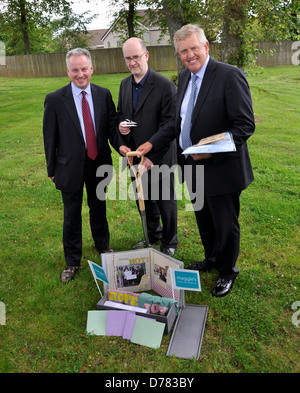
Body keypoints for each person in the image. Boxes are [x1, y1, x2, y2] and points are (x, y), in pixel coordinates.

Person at [138, 25, 255, 297]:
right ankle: (212, 259)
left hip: (222, 167)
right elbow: (177, 124)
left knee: (225, 223)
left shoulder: (229, 75)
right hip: (192, 167)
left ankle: (227, 271)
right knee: (204, 218)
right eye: (183, 51)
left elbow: (244, 125)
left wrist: (211, 151)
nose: (189, 55)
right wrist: (153, 143)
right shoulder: (185, 78)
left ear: (206, 47)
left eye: (193, 48)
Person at [43, 48, 123, 282]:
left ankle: (102, 246)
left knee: (99, 207)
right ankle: (72, 260)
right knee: (72, 214)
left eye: (84, 69)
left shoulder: (103, 94)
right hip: (68, 167)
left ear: (92, 68)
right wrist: (51, 169)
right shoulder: (56, 99)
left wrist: (122, 141)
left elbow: (110, 128)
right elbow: (50, 137)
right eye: (75, 69)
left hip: (98, 162)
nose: (80, 74)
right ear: (68, 71)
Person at [117, 37, 178, 256]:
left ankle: (169, 242)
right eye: (128, 58)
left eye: (136, 57)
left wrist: (152, 157)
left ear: (147, 55)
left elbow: (171, 124)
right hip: (135, 157)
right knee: (144, 198)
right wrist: (121, 125)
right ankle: (152, 235)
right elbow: (121, 115)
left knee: (165, 201)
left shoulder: (164, 85)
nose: (132, 62)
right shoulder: (125, 84)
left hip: (160, 156)